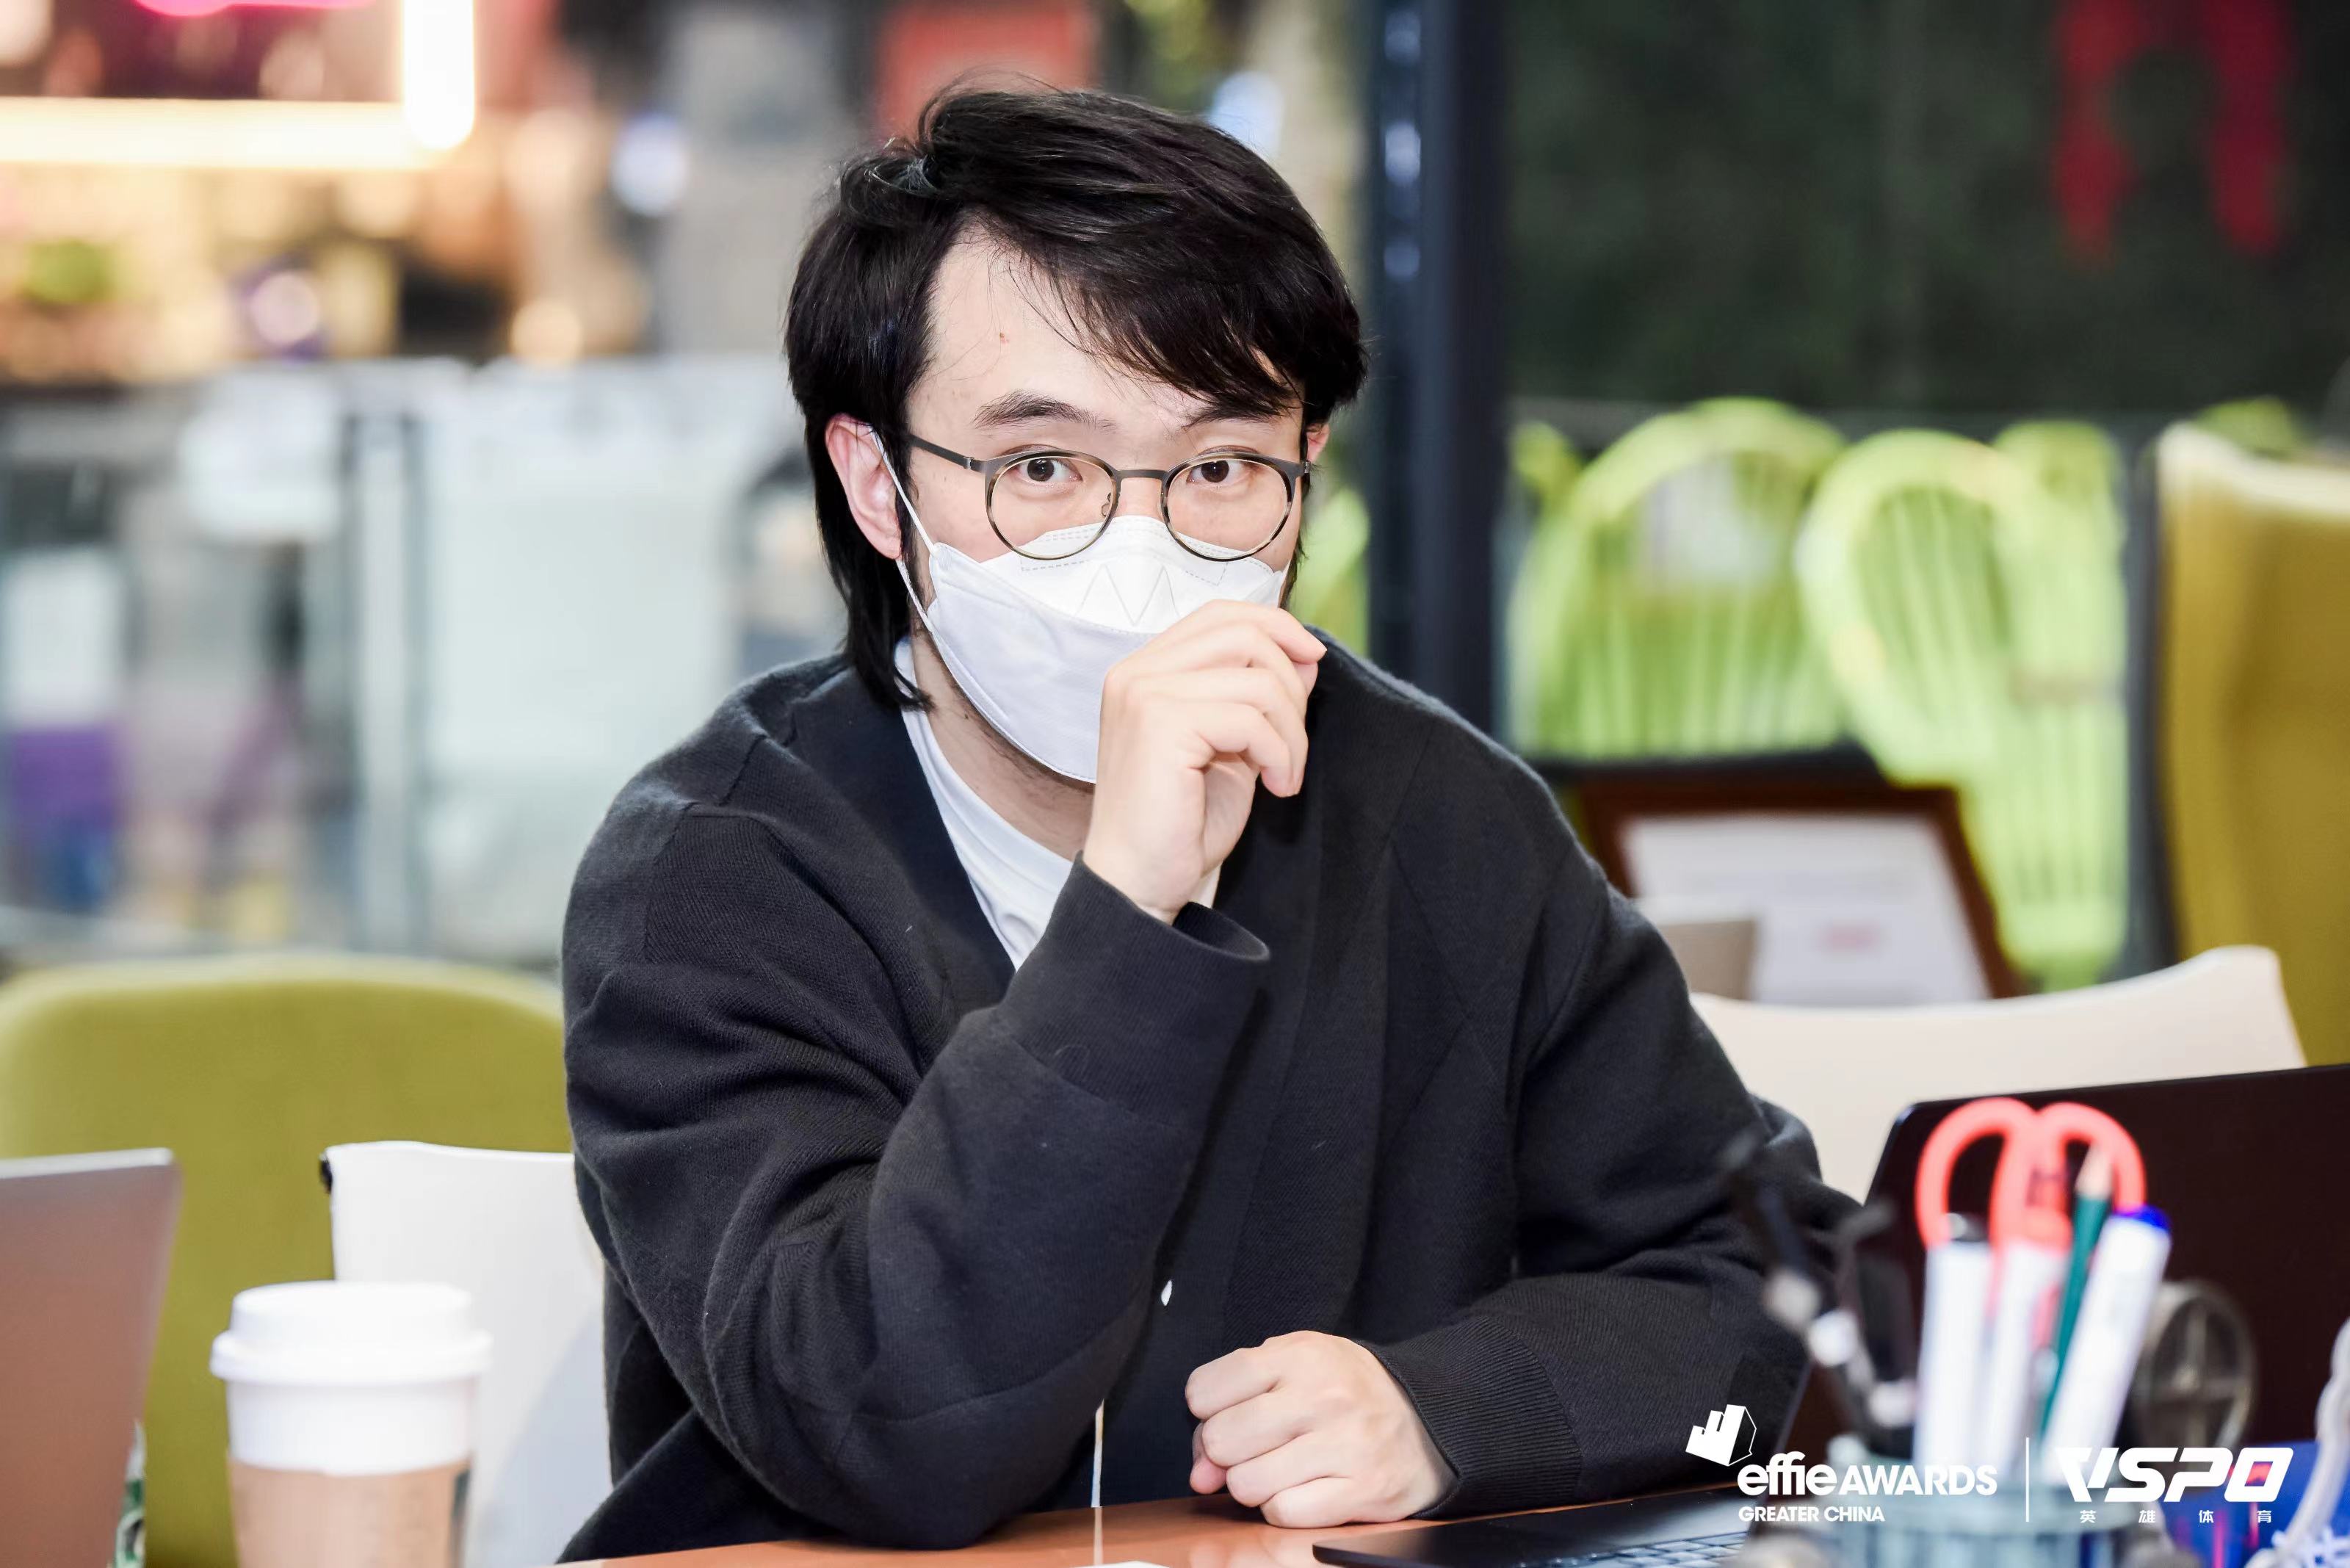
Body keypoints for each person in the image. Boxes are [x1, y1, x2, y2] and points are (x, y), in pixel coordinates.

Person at [559, 86, 1847, 1561]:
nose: (1142, 548)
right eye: (1043, 469)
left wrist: (1448, 1412)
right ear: (876, 483)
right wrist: (1129, 905)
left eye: (1222, 468)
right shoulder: (712, 874)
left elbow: (1781, 1299)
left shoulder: (1438, 817)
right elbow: (883, 1431)